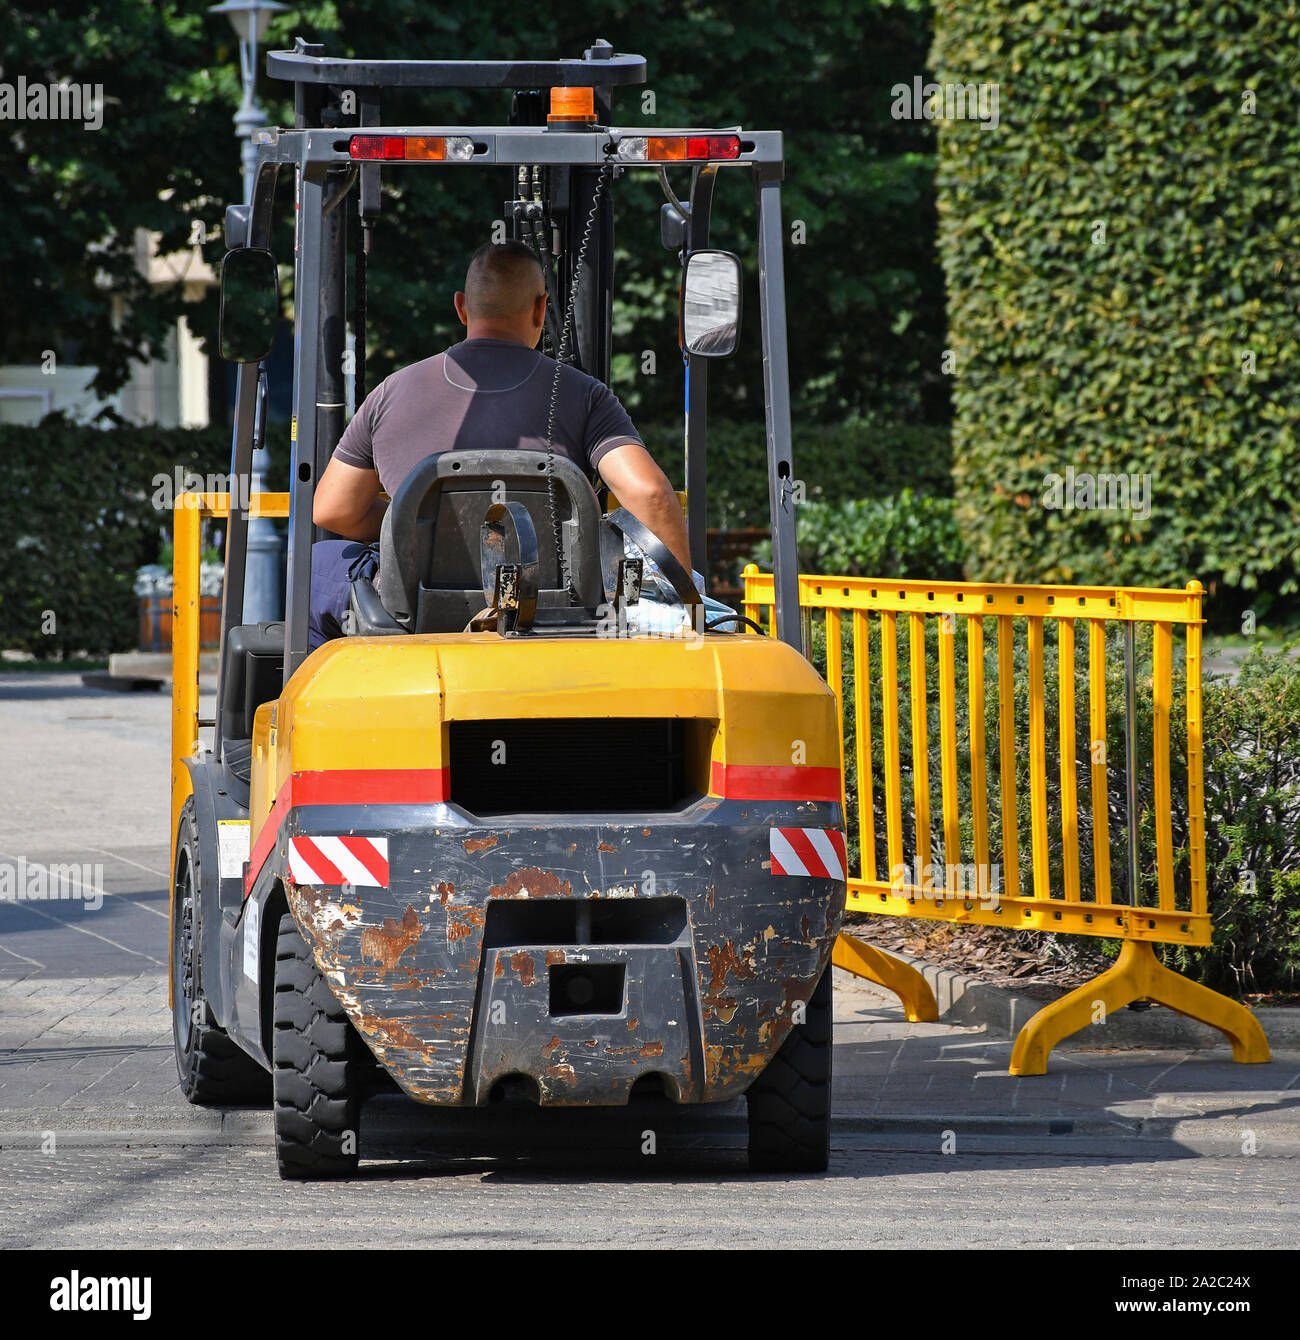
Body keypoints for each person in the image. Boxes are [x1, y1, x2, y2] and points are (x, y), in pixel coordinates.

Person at [309, 240, 691, 646]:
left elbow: (334, 510)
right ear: (541, 308)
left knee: (317, 565)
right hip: (554, 609)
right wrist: (686, 606)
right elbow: (649, 494)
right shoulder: (585, 395)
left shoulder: (390, 393)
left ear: (461, 307)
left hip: (416, 610)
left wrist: (422, 524)